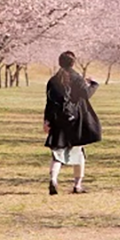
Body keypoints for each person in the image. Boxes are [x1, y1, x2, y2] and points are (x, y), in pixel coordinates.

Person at [43, 51, 102, 195]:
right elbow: (86, 94)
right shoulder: (77, 78)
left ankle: (54, 179)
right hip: (76, 120)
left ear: (59, 63)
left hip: (58, 120)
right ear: (73, 63)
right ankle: (77, 185)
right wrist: (94, 84)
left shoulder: (53, 80)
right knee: (78, 151)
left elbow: (49, 103)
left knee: (57, 153)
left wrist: (46, 120)